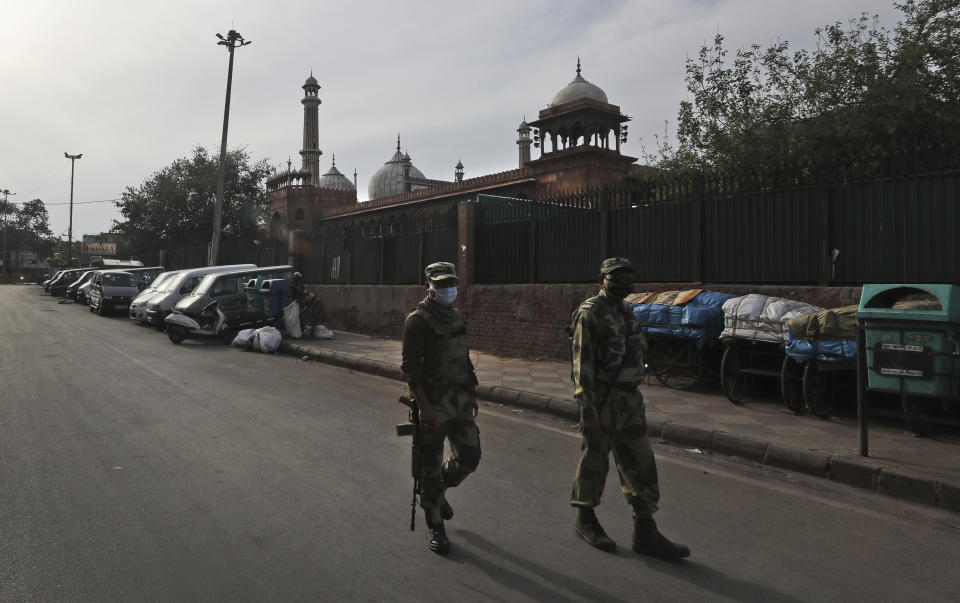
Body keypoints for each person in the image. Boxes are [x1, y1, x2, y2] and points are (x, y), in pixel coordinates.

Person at [569, 257, 690, 559]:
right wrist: (586, 408)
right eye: (615, 277)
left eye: (627, 277)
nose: (622, 282)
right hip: (602, 399)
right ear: (601, 281)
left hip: (630, 400)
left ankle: (646, 530)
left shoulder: (627, 311)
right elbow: (581, 362)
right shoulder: (590, 312)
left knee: (641, 462)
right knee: (595, 461)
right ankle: (585, 519)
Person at [400, 261, 481, 555]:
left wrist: (471, 392)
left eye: (451, 284)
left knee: (470, 457)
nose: (448, 289)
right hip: (433, 403)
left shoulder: (457, 315)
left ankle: (435, 489)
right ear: (428, 287)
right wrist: (423, 408)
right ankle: (436, 525)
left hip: (459, 400)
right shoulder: (418, 320)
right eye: (441, 285)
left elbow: (464, 356)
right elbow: (411, 368)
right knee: (430, 464)